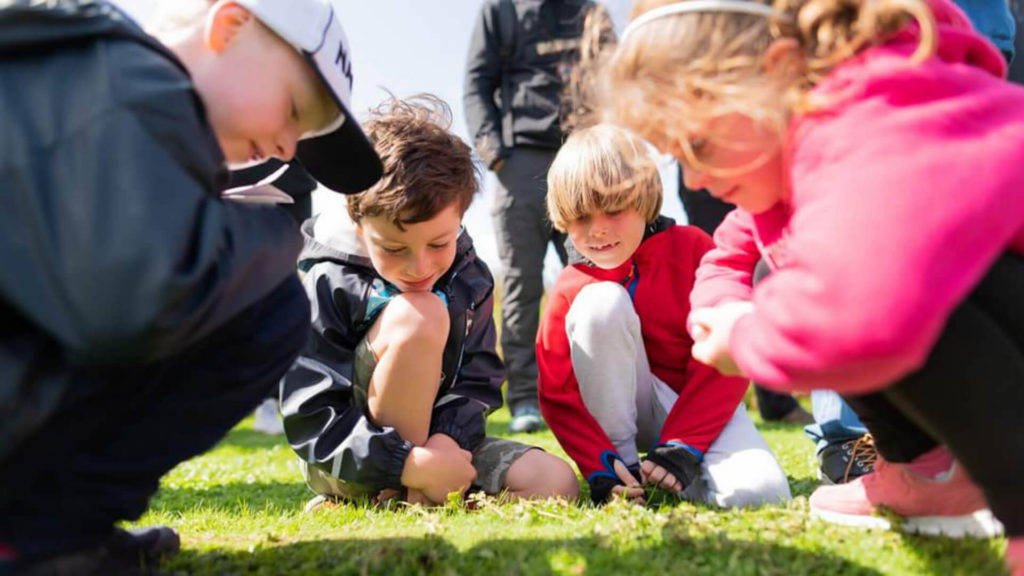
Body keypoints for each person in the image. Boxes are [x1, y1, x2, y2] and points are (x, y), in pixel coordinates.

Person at [592, 0, 1024, 569]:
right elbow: (727, 254)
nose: (692, 179)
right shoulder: (791, 153)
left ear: (772, 72)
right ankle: (928, 472)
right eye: (679, 159)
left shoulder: (875, 121)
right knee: (789, 269)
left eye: (699, 146)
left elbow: (867, 314)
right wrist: (722, 307)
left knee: (856, 281)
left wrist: (746, 337)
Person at [0, 0, 383, 573]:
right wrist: (273, 237)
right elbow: (130, 306)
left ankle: (49, 528)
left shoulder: (92, 73)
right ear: (228, 26)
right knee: (270, 307)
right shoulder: (133, 80)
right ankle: (40, 535)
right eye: (295, 109)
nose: (286, 148)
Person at [280, 95, 580, 509]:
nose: (418, 266)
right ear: (358, 224)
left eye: (438, 243)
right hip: (356, 461)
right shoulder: (326, 280)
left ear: (460, 217)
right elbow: (311, 414)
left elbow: (478, 380)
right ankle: (394, 491)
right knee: (419, 312)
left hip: (445, 446)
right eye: (393, 247)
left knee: (555, 481)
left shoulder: (471, 278)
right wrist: (407, 462)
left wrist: (447, 442)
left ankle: (423, 496)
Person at [536, 124, 791, 507]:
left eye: (614, 209)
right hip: (621, 414)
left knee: (761, 496)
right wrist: (600, 466)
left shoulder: (693, 249)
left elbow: (725, 354)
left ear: (644, 198)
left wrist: (684, 444)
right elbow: (558, 392)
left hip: (693, 405)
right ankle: (625, 475)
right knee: (601, 302)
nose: (598, 230)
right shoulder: (571, 285)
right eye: (581, 217)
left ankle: (672, 474)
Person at [464, 0, 595, 433]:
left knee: (594, 279)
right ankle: (524, 399)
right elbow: (476, 83)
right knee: (521, 285)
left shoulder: (588, 9)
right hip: (518, 160)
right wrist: (494, 155)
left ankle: (592, 394)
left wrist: (603, 147)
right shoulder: (499, 10)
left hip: (579, 158)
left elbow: (609, 76)